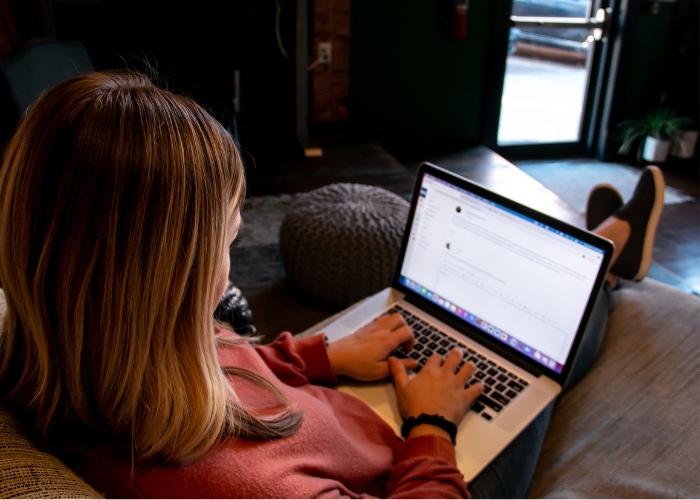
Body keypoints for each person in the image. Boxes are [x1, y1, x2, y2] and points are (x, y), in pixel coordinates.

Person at [0, 70, 664, 498]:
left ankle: (599, 251)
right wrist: (432, 427)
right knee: (538, 344)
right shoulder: (243, 487)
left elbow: (225, 359)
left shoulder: (76, 353)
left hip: (349, 421)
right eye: (228, 238)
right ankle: (605, 260)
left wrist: (317, 355)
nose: (231, 256)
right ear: (166, 279)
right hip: (421, 466)